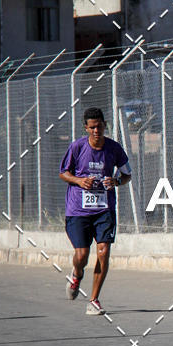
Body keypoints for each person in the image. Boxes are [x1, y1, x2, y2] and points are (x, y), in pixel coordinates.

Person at [59, 107, 131, 315]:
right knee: (82, 255)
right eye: (92, 128)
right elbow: (64, 173)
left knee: (104, 252)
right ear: (86, 128)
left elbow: (127, 175)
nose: (96, 131)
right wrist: (80, 181)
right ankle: (76, 274)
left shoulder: (114, 149)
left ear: (104, 125)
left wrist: (116, 181)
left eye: (99, 127)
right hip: (78, 210)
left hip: (104, 209)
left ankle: (94, 300)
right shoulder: (77, 147)